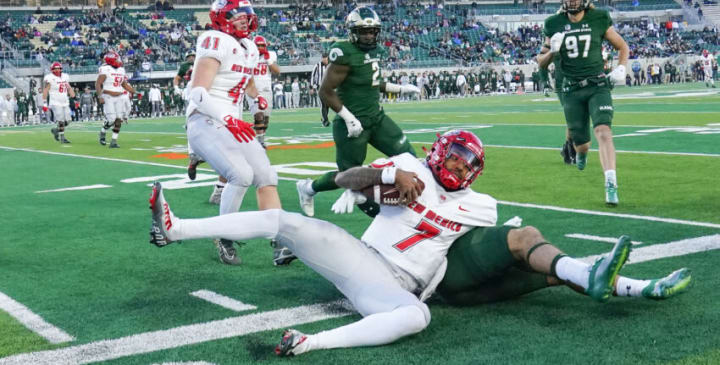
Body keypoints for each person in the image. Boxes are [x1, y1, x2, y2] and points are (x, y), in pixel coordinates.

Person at [148, 130, 691, 357]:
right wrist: (384, 181)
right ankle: (178, 229)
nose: (456, 168)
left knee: (416, 319)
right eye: (452, 158)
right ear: (436, 154)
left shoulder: (482, 206)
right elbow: (345, 178)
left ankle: (310, 343)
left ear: (475, 171)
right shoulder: (409, 166)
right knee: (284, 221)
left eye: (466, 164)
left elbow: (490, 253)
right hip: (364, 258)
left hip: (410, 287)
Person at [184, 0, 287, 266]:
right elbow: (197, 93)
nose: (244, 20)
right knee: (240, 174)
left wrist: (256, 99)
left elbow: (246, 81)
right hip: (205, 118)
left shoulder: (250, 48)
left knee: (266, 174)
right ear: (221, 18)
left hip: (234, 123)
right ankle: (223, 235)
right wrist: (228, 119)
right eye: (237, 15)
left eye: (246, 15)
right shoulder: (214, 40)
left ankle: (279, 240)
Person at [295, 6, 420, 218]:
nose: (369, 36)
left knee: (410, 158)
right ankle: (308, 188)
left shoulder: (376, 51)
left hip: (377, 118)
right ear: (353, 31)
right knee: (349, 177)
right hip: (351, 124)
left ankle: (409, 203)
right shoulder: (343, 52)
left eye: (372, 31)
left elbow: (372, 82)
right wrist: (349, 119)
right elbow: (325, 91)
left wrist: (400, 89)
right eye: (364, 31)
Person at [537, 0, 628, 206]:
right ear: (563, 0)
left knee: (604, 131)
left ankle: (610, 184)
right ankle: (581, 153)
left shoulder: (598, 18)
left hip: (598, 85)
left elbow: (622, 46)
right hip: (571, 89)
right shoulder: (553, 23)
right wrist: (553, 53)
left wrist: (621, 67)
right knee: (583, 144)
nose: (572, 0)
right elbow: (540, 61)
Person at [96, 51, 137, 148]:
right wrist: (100, 96)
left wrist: (133, 91)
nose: (119, 60)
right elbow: (98, 83)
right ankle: (102, 132)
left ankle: (114, 141)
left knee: (119, 120)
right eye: (117, 59)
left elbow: (123, 84)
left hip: (119, 97)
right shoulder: (105, 69)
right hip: (108, 97)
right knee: (111, 120)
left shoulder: (121, 70)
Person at [249, 35, 280, 148]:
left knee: (266, 118)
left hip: (267, 89)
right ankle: (260, 142)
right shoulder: (248, 55)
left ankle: (261, 136)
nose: (260, 47)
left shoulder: (270, 55)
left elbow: (277, 72)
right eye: (258, 45)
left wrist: (269, 61)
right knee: (259, 115)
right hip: (253, 89)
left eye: (262, 45)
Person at [43, 62, 75, 143]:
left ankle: (56, 130)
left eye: (58, 68)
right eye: (55, 68)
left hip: (65, 101)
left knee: (68, 120)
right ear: (52, 69)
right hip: (55, 102)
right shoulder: (50, 77)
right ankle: (62, 138)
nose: (57, 70)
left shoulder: (65, 76)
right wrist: (44, 103)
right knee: (60, 120)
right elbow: (46, 90)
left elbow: (68, 86)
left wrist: (72, 93)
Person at [311, 52, 329, 124]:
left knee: (327, 104)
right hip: (320, 87)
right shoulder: (317, 66)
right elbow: (313, 76)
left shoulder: (330, 65)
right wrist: (312, 87)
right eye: (324, 58)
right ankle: (325, 120)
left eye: (327, 58)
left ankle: (324, 118)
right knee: (323, 104)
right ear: (322, 58)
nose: (326, 60)